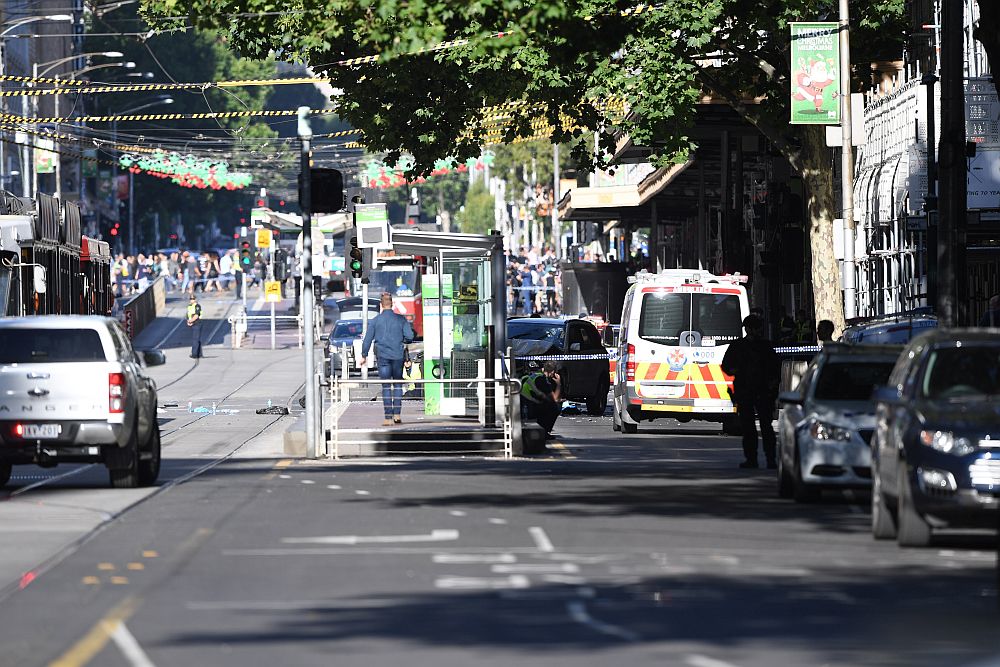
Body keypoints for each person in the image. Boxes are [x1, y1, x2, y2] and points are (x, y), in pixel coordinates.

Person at [721, 314, 780, 469]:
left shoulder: (744, 346)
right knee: (756, 428)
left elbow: (727, 366)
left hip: (756, 392)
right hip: (753, 392)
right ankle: (764, 459)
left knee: (758, 428)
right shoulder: (763, 346)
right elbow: (727, 366)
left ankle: (760, 459)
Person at [361, 292, 415, 426]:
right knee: (397, 384)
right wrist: (401, 340)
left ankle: (387, 417)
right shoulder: (401, 319)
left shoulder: (375, 321)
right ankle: (397, 415)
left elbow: (367, 339)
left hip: (383, 356)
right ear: (392, 304)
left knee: (386, 386)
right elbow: (409, 336)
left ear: (381, 304)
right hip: (397, 356)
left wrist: (364, 355)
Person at [521, 361, 562, 437]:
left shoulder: (536, 376)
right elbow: (555, 398)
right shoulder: (542, 379)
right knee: (556, 407)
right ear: (553, 371)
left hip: (527, 403)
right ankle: (544, 432)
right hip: (532, 406)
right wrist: (559, 384)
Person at [187, 294, 203, 359]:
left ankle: (194, 354)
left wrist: (190, 321)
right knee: (197, 339)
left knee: (195, 339)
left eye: (193, 299)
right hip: (193, 324)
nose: (191, 300)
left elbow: (196, 315)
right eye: (190, 299)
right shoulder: (190, 306)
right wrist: (189, 321)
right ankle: (199, 353)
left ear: (195, 299)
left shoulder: (197, 306)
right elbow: (189, 315)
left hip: (197, 323)